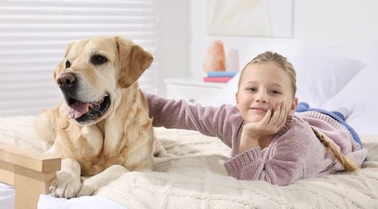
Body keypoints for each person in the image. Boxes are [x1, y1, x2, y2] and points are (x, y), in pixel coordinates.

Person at [146, 51, 367, 186]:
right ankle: (306, 110)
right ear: (237, 98)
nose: (260, 98)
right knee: (306, 113)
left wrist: (250, 135)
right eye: (252, 89)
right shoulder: (231, 117)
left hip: (335, 129)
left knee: (334, 111)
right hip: (301, 115)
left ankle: (335, 109)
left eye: (274, 91)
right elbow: (179, 112)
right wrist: (127, 99)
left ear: (291, 105)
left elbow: (256, 183)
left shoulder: (297, 142)